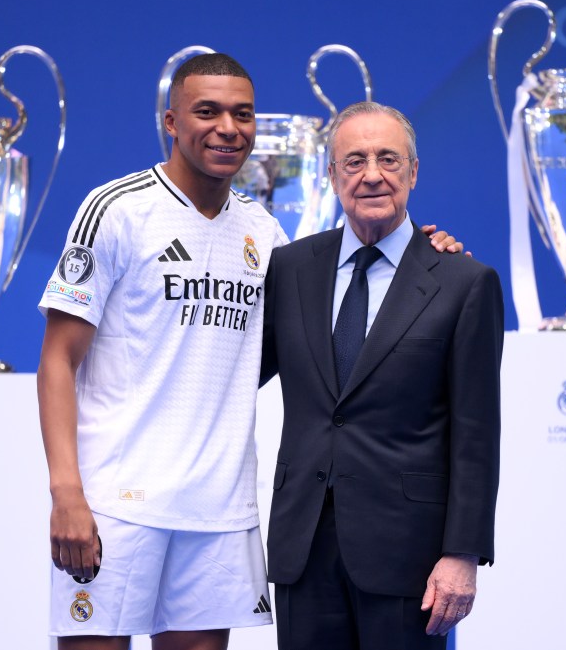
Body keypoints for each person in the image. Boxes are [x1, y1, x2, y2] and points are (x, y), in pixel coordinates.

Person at [36, 54, 465, 650]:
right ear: (171, 120)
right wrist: (66, 495)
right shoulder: (116, 209)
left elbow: (332, 322)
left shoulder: (267, 237)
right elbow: (57, 359)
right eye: (206, 112)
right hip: (117, 504)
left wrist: (423, 250)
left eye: (242, 114)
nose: (227, 128)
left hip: (219, 511)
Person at [261, 102, 504, 650]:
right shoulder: (290, 268)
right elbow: (236, 371)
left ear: (413, 172)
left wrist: (462, 553)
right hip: (303, 550)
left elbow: (477, 434)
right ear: (331, 176)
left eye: (388, 159)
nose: (371, 174)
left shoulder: (463, 282)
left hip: (410, 560)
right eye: (354, 161)